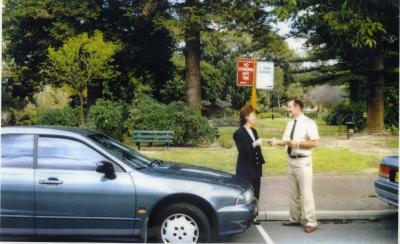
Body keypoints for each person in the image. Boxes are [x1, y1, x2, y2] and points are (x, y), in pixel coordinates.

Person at [269, 99, 320, 233]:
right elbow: (287, 141)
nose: (288, 109)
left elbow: (315, 143)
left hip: (303, 162)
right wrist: (275, 142)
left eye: (290, 107)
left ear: (298, 108)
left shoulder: (309, 123)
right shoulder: (290, 123)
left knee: (306, 193)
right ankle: (294, 218)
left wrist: (298, 144)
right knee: (293, 193)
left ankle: (311, 222)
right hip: (291, 161)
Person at [233, 104, 265, 204]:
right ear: (246, 116)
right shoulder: (239, 133)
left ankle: (255, 218)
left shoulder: (254, 131)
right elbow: (242, 151)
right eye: (253, 115)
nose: (255, 117)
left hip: (255, 169)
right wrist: (255, 144)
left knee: (256, 194)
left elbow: (256, 150)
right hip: (245, 170)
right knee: (246, 196)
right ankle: (248, 218)